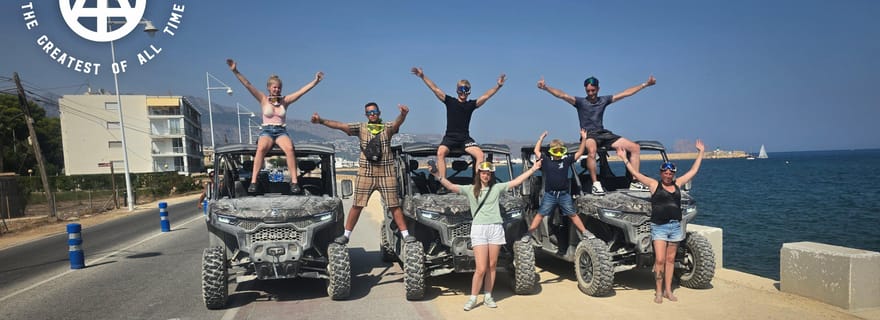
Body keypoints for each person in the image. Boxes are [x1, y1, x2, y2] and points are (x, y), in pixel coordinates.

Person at [432, 158, 543, 311]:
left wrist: (533, 169)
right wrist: (437, 174)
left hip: (495, 228)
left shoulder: (496, 188)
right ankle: (473, 298)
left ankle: (488, 295)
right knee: (481, 268)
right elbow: (451, 186)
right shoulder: (471, 190)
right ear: (479, 174)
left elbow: (516, 181)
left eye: (488, 174)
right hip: (479, 229)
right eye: (484, 173)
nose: (486, 176)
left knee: (492, 265)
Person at [311, 103, 413, 245]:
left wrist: (403, 114)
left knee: (394, 205)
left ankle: (406, 235)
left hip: (387, 172)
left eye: (374, 111)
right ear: (366, 115)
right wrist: (321, 121)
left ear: (379, 112)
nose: (372, 114)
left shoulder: (387, 128)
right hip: (366, 172)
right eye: (369, 113)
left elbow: (397, 123)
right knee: (357, 205)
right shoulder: (361, 127)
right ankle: (346, 235)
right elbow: (340, 125)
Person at [618, 139, 705, 304]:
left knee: (670, 260)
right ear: (661, 173)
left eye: (671, 173)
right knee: (659, 260)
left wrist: (700, 152)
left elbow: (693, 171)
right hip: (659, 227)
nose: (668, 175)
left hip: (675, 227)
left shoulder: (678, 184)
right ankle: (658, 291)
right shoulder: (653, 185)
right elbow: (636, 175)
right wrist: (624, 158)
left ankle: (668, 291)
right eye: (665, 172)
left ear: (673, 174)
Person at [537, 75, 657, 194]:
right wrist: (546, 88)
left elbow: (625, 93)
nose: (590, 93)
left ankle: (635, 182)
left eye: (593, 90)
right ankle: (596, 184)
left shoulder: (604, 100)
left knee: (635, 147)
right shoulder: (580, 102)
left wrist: (645, 85)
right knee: (592, 151)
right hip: (588, 134)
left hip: (603, 133)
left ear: (598, 89)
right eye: (588, 90)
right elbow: (562, 95)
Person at [227, 58, 323, 194]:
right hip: (267, 131)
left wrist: (316, 81)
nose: (277, 89)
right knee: (260, 149)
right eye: (274, 87)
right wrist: (235, 71)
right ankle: (254, 181)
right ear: (269, 88)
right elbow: (247, 84)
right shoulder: (262, 99)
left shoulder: (285, 101)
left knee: (290, 149)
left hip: (281, 131)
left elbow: (301, 91)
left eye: (279, 87)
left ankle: (294, 182)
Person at [412, 67, 505, 179]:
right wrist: (422, 76)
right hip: (450, 137)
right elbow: (435, 89)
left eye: (466, 90)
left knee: (480, 155)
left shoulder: (470, 105)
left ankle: (477, 184)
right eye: (461, 90)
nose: (463, 93)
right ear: (457, 91)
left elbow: (486, 96)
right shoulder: (450, 102)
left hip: (465, 139)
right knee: (440, 153)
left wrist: (498, 86)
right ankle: (443, 183)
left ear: (469, 92)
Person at [527, 129, 591, 241]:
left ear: (563, 151)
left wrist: (584, 138)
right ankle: (528, 234)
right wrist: (541, 139)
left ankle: (585, 232)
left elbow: (580, 153)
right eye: (555, 151)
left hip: (564, 195)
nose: (558, 153)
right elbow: (536, 150)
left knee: (572, 214)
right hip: (550, 195)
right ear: (551, 151)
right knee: (540, 214)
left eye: (560, 150)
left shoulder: (566, 161)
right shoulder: (546, 161)